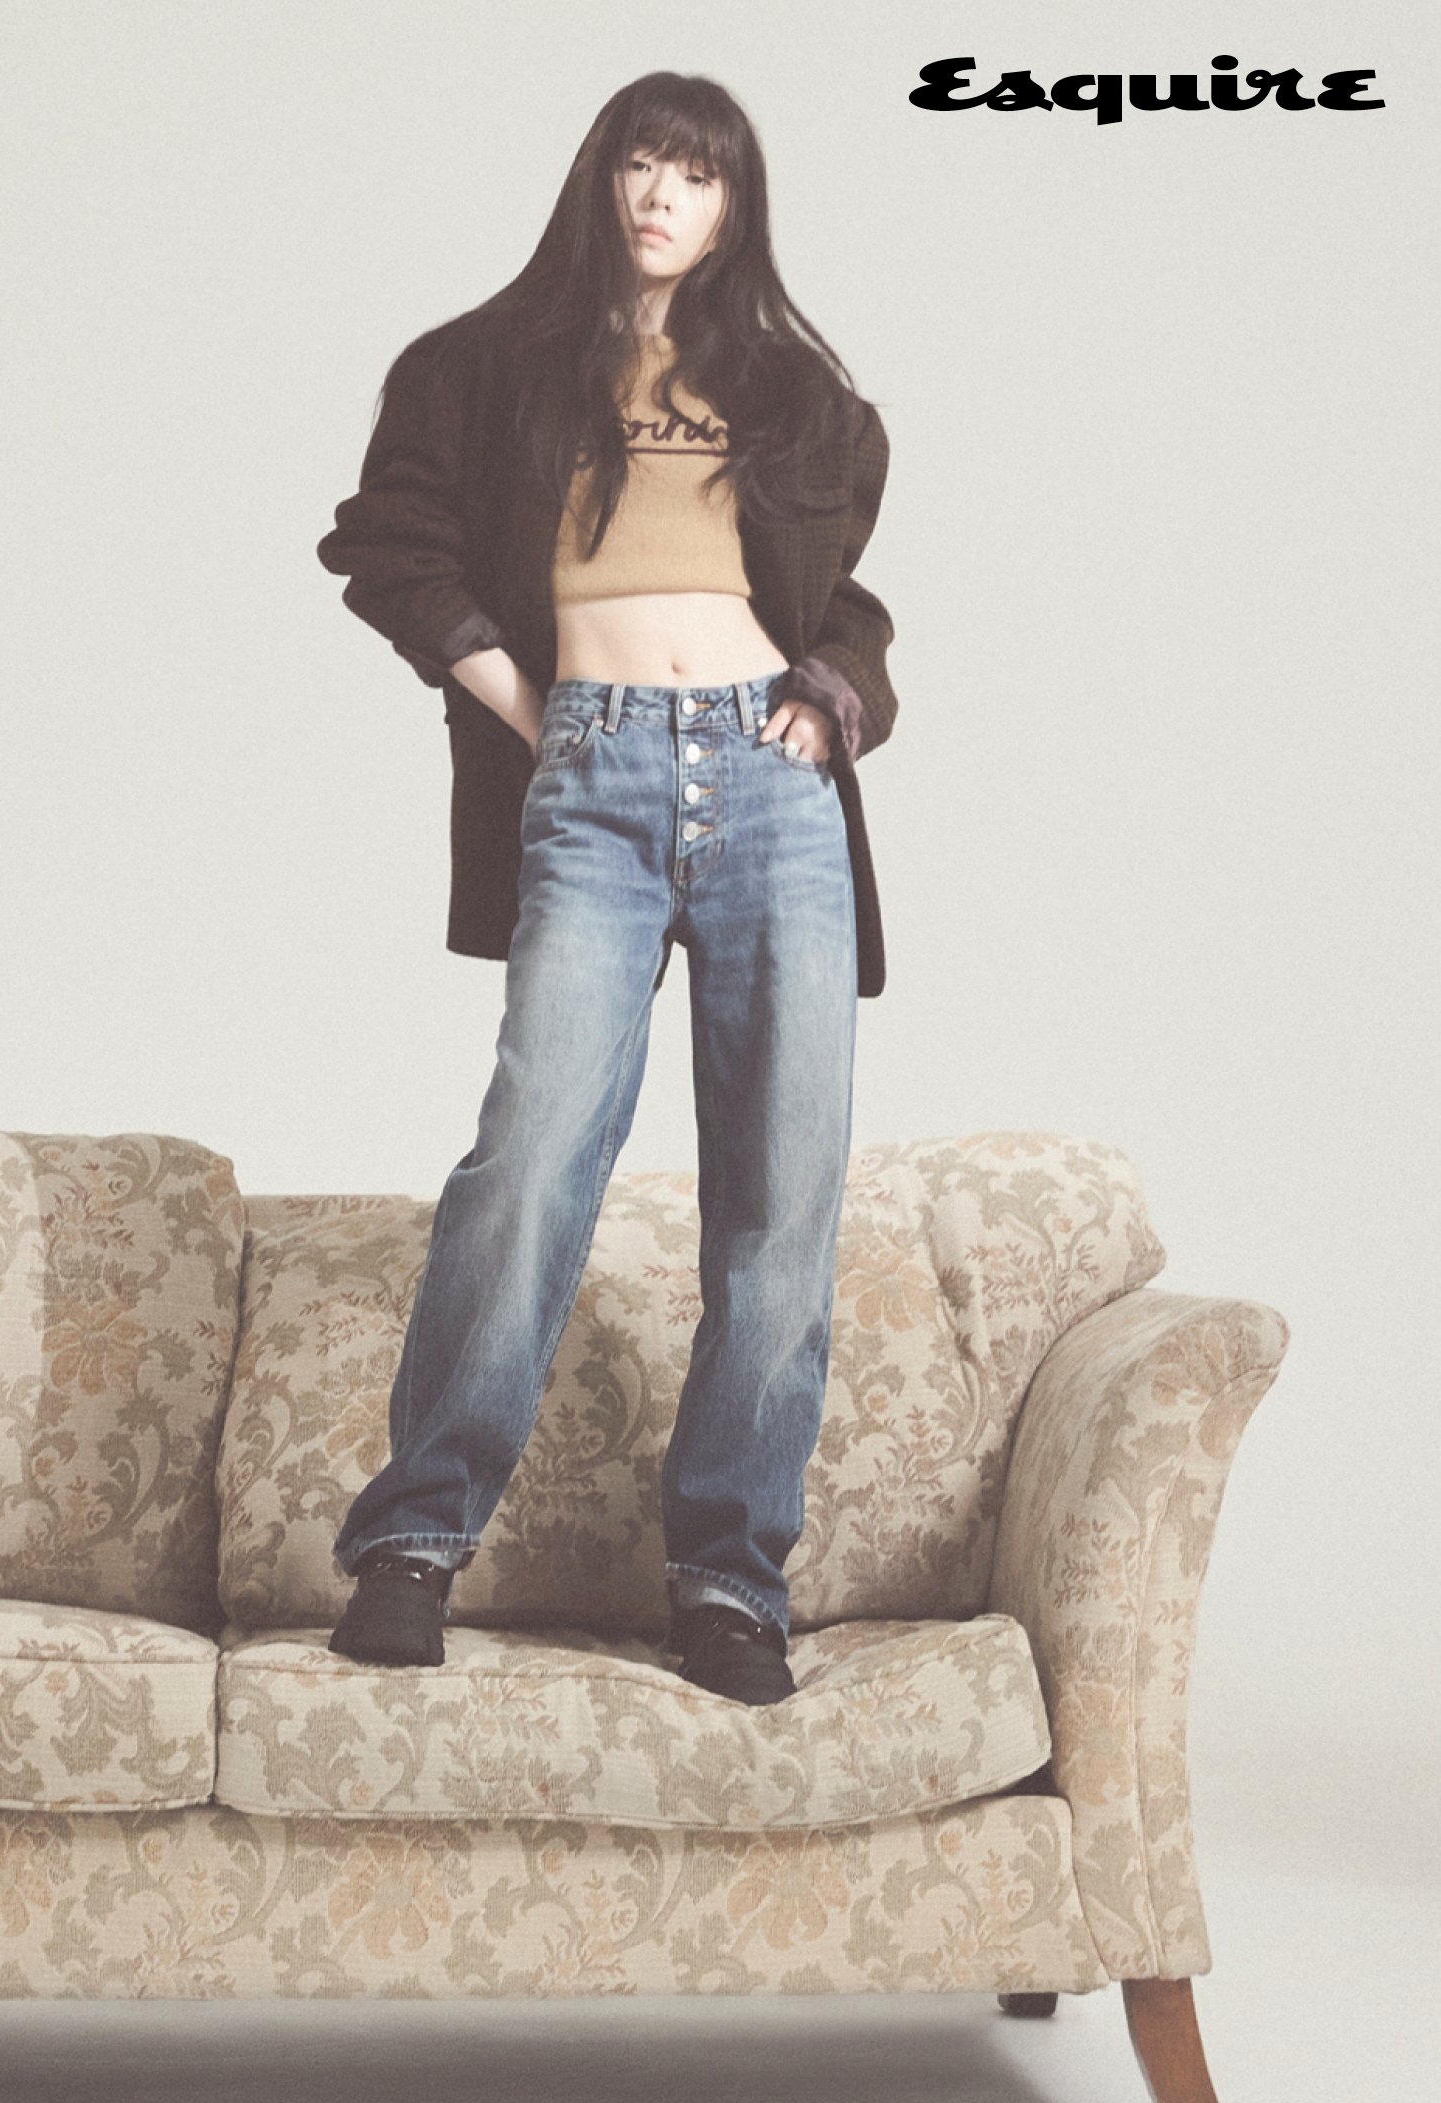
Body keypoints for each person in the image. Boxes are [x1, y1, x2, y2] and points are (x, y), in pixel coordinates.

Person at [317, 71, 899, 1705]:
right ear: (601, 176)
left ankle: (727, 1580)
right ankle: (412, 1541)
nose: (661, 195)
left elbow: (841, 602)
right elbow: (387, 544)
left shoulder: (793, 395)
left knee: (779, 1198)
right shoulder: (480, 366)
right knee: (529, 1156)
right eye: (643, 162)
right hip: (592, 775)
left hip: (771, 790)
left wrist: (829, 697)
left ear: (733, 208)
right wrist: (530, 706)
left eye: (696, 174)